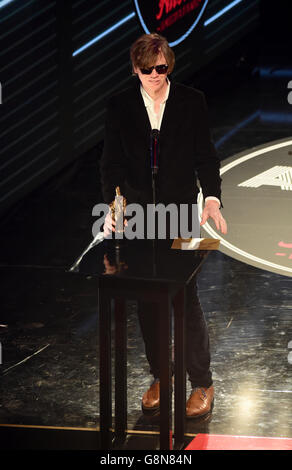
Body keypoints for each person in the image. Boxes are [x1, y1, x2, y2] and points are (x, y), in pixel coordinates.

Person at [100, 33, 227, 418]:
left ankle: (202, 383)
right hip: (139, 215)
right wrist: (116, 203)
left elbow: (205, 155)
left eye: (161, 68)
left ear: (168, 65)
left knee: (184, 298)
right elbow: (112, 163)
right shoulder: (120, 105)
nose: (155, 75)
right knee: (146, 300)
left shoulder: (191, 101)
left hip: (180, 213)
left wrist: (211, 197)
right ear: (135, 69)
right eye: (147, 69)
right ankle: (160, 375)